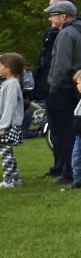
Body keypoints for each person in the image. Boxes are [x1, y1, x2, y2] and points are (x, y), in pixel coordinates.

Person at [40, 0, 81, 184]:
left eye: (53, 15)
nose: (50, 19)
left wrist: (52, 86)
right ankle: (73, 170)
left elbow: (60, 65)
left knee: (63, 134)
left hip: (62, 88)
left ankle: (69, 172)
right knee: (72, 132)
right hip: (75, 87)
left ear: (63, 16)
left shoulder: (65, 34)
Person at [0, 51, 24, 188]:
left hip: (8, 125)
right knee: (6, 151)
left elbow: (10, 106)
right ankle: (14, 179)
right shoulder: (7, 83)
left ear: (8, 68)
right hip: (6, 124)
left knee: (5, 152)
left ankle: (9, 180)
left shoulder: (12, 84)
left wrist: (3, 126)